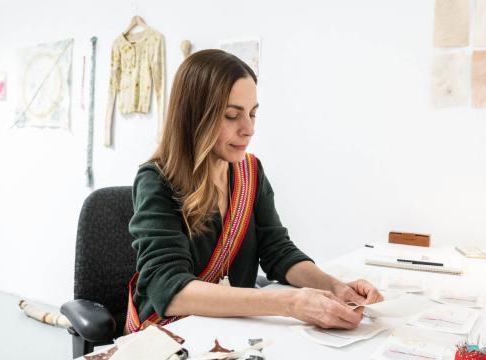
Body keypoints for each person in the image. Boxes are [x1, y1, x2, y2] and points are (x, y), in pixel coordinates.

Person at [124, 49, 383, 334]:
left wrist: (337, 287)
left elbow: (277, 251)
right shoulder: (157, 180)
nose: (248, 129)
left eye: (253, 114)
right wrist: (288, 303)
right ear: (195, 116)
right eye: (232, 115)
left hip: (227, 332)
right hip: (169, 335)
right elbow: (169, 290)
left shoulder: (250, 171)